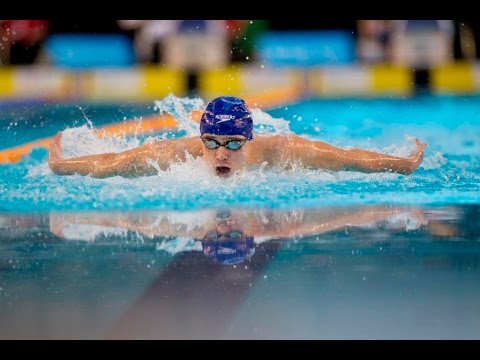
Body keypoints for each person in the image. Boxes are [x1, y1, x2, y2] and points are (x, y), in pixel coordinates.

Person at [48, 96, 427, 179]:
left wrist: (403, 165)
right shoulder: (175, 156)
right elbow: (111, 164)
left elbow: (348, 158)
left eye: (231, 143)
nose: (219, 153)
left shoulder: (284, 151)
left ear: (248, 140)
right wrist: (60, 164)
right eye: (210, 142)